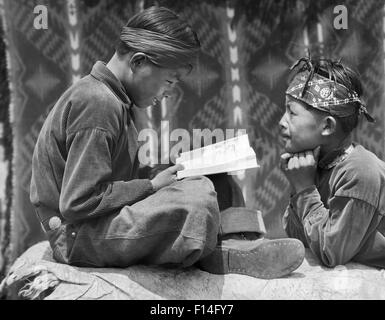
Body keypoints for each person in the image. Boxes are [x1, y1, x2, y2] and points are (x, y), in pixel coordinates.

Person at [30, 6, 304, 279]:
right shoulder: (97, 103)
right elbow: (79, 202)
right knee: (196, 201)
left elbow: (114, 176)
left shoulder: (114, 100)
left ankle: (237, 244)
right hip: (78, 235)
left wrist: (174, 170)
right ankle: (229, 255)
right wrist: (150, 185)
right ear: (138, 62)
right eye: (169, 81)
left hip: (96, 221)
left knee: (216, 180)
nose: (168, 93)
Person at [279, 56, 385, 268]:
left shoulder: (360, 171)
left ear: (327, 126)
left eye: (292, 112)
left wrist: (305, 190)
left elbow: (331, 252)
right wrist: (300, 185)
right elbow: (298, 239)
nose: (281, 122)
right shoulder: (316, 164)